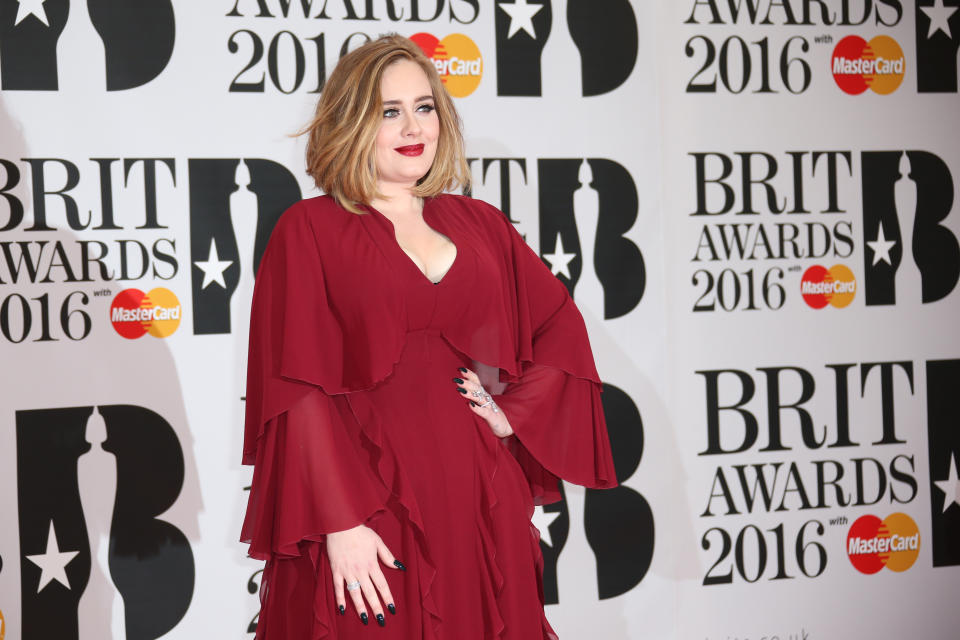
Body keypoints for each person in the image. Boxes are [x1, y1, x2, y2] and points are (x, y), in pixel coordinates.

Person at [240, 34, 617, 640]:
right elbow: (297, 388)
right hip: (369, 501)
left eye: (425, 106)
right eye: (389, 111)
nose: (413, 126)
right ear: (352, 121)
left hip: (479, 494)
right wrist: (340, 521)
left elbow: (557, 325)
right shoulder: (307, 229)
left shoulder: (480, 223)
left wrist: (513, 415)